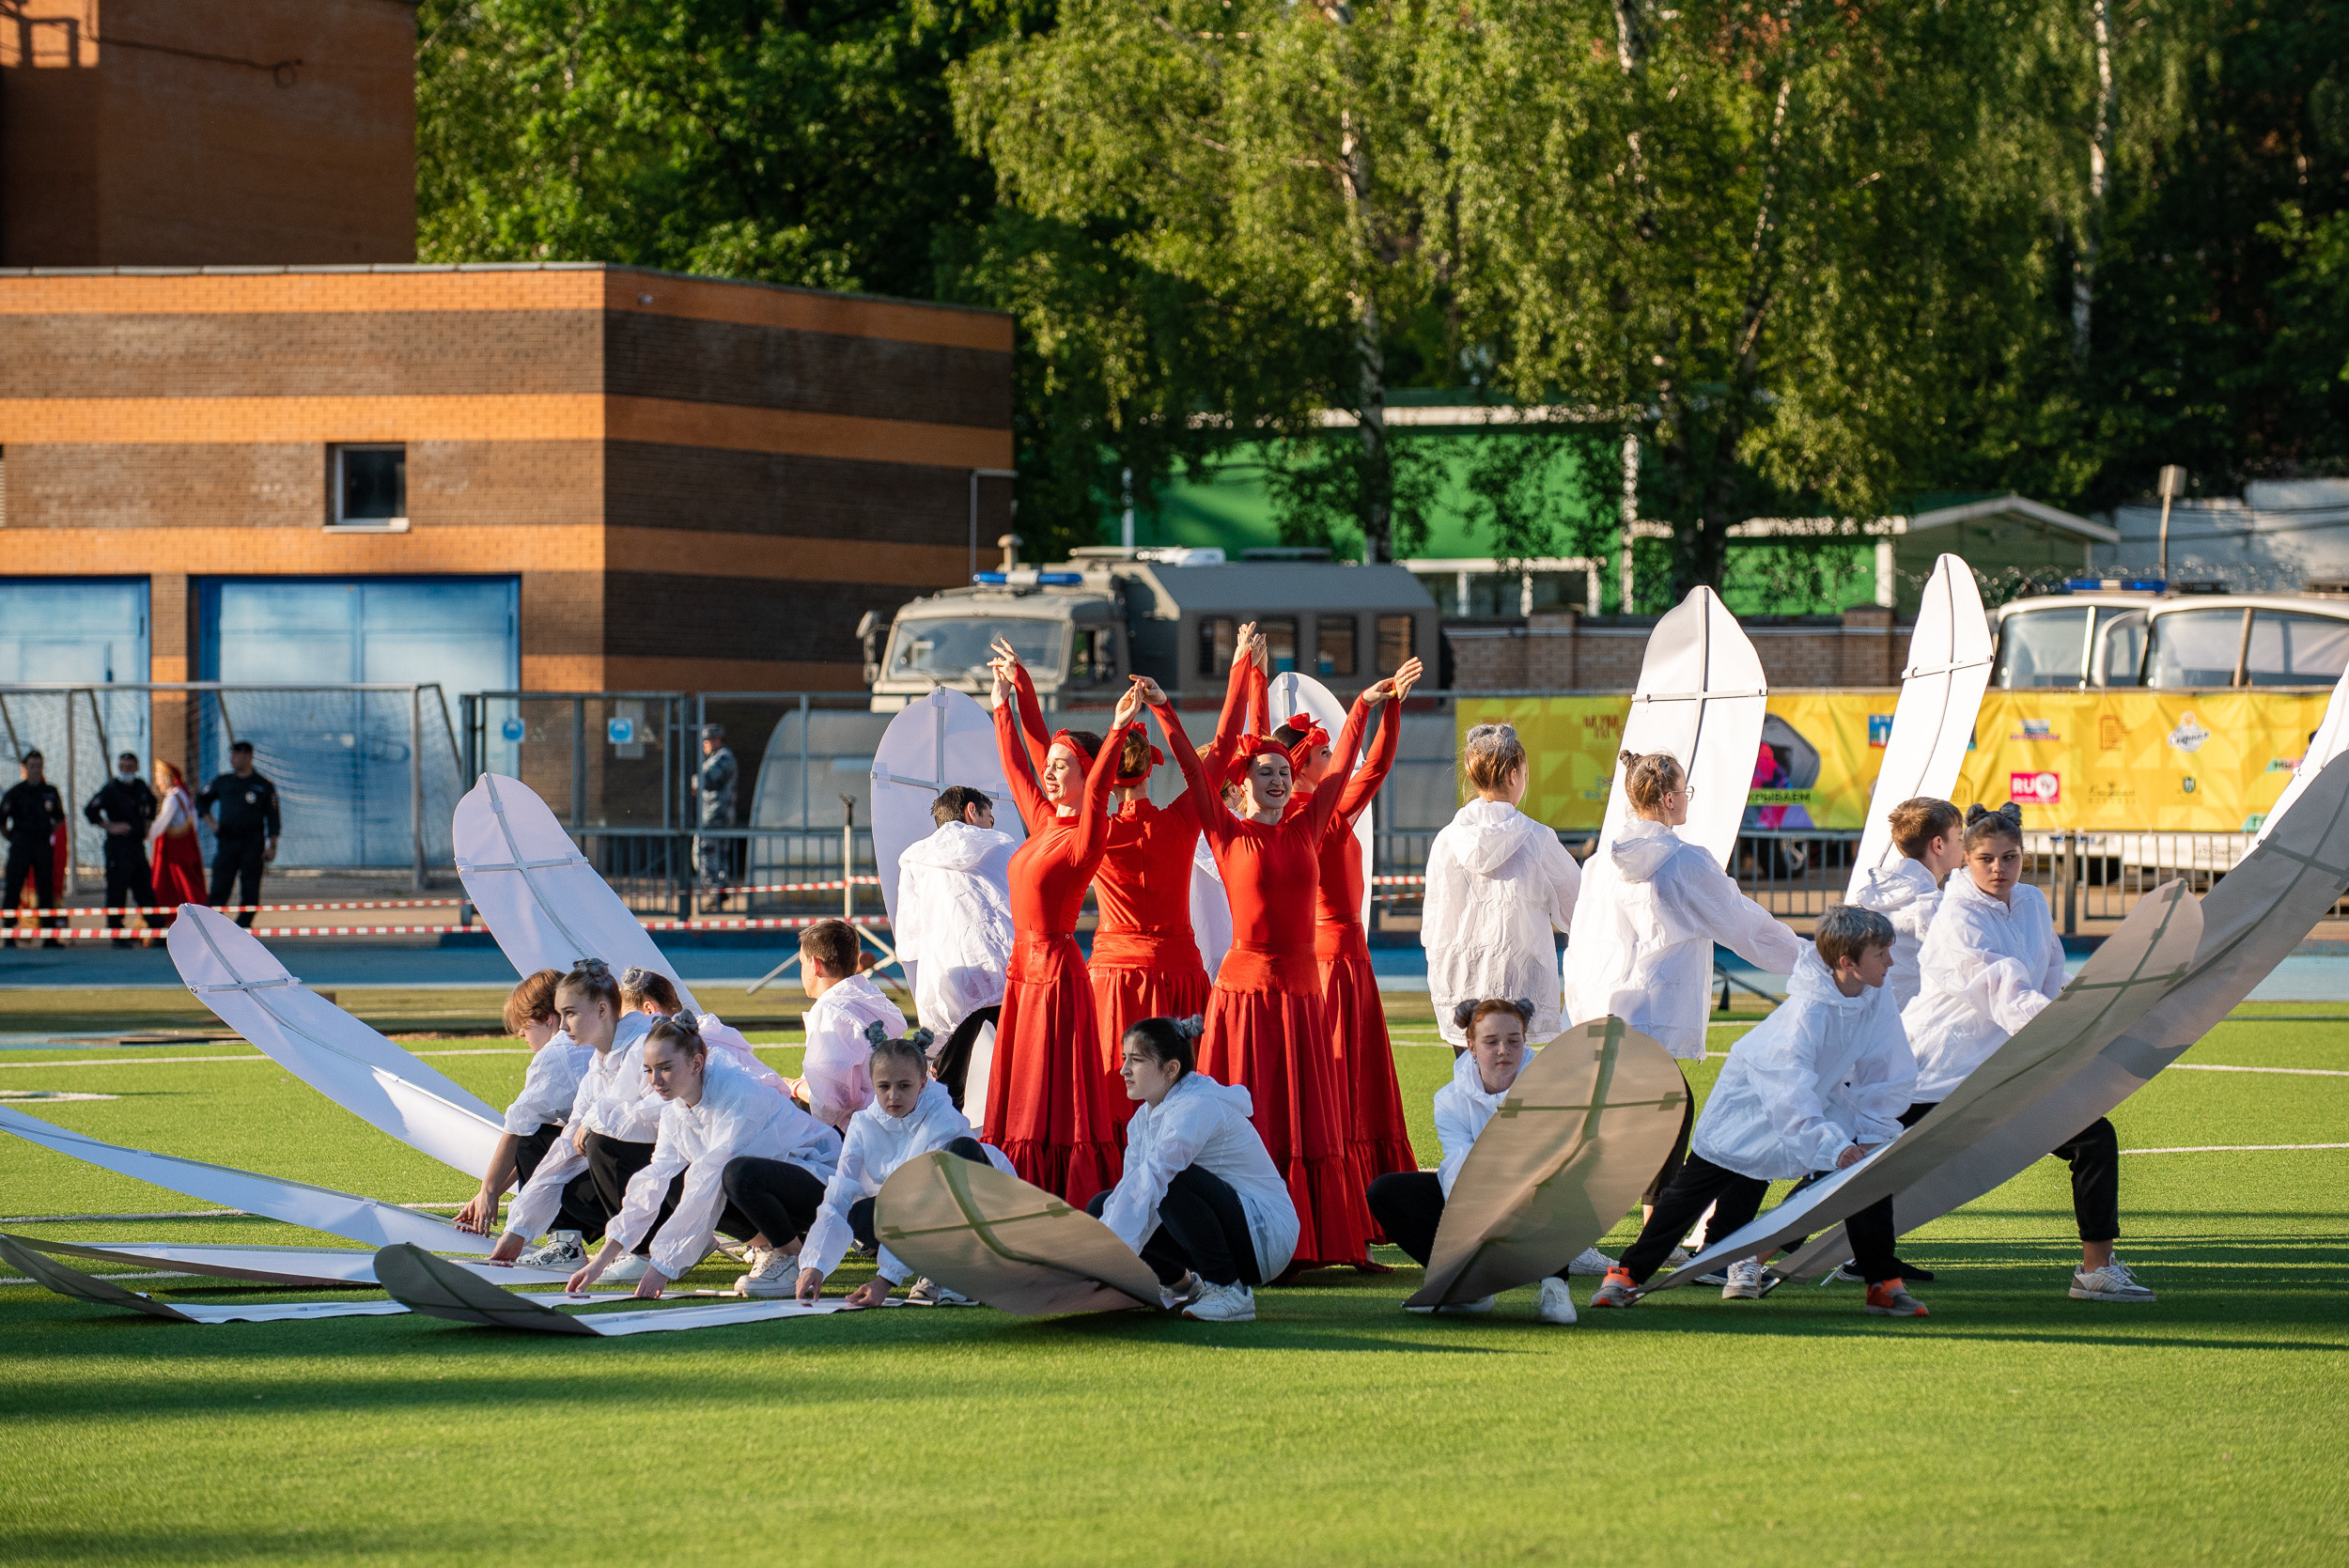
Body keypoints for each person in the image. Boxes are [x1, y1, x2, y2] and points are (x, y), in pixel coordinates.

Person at [1153, 632, 1376, 1267]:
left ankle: (1313, 1239)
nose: (1278, 779)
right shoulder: (1226, 832)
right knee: (1251, 1113)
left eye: (1284, 771)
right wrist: (1176, 706)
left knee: (1308, 1115)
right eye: (1265, 772)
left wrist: (1364, 705)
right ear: (1244, 784)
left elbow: (1342, 769)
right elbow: (1198, 769)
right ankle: (1236, 1228)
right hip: (1245, 993)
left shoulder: (1309, 825)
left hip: (1303, 992)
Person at [1593, 904, 1927, 1316]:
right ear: (1848, 963)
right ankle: (1625, 1274)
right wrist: (1831, 1146)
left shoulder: (1875, 994)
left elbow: (1887, 1065)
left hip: (1813, 1099)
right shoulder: (1807, 1015)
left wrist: (1875, 1132)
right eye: (1880, 954)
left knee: (1864, 1177)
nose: (1890, 961)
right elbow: (1788, 1090)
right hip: (1748, 1109)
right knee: (1689, 1194)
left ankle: (1883, 1284)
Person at [1901, 801, 2152, 1302]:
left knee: (2093, 1137)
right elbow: (2005, 993)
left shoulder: (2034, 902)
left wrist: (2087, 1009)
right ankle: (1750, 1256)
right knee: (1857, 1160)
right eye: (1987, 859)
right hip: (1937, 1071)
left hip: (2008, 1071)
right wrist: (2076, 1031)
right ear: (1966, 860)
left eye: (2011, 857)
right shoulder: (1956, 916)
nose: (2000, 869)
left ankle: (2095, 1272)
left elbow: (2050, 972)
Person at [1562, 749, 1806, 1234]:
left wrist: (1585, 1011)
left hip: (1611, 1009)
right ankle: (1642, 1231)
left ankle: (1648, 1230)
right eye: (1686, 790)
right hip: (1658, 1009)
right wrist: (1811, 962)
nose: (1689, 798)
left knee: (1650, 1119)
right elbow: (1746, 928)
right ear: (1670, 799)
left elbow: (1583, 942)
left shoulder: (1600, 864)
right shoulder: (1684, 862)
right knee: (1667, 1116)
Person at [980, 645, 1140, 1204]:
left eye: (1062, 766)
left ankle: (1062, 1189)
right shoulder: (1045, 819)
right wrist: (1007, 698)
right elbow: (1017, 764)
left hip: (1054, 969)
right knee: (1023, 1081)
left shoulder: (1086, 832)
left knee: (1053, 1085)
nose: (1049, 773)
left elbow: (1097, 790)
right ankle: (1018, 1178)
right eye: (1050, 766)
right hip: (1023, 968)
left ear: (1086, 773)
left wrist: (1116, 731)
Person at [566, 1014, 842, 1300]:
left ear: (696, 1064)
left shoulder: (738, 1093)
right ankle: (769, 1246)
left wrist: (663, 1266)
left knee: (735, 1174)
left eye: (665, 1068)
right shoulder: (675, 1109)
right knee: (675, 1180)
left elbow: (709, 1178)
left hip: (820, 1187)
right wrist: (601, 1261)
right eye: (648, 1070)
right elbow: (652, 1182)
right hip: (771, 1190)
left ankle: (792, 1255)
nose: (655, 1080)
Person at [1282, 657, 1424, 1195]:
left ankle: (1354, 1188)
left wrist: (1388, 709)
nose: (1332, 757)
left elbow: (1374, 765)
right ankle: (1350, 1186)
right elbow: (1366, 766)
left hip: (1344, 953)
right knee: (1346, 1078)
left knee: (1349, 1076)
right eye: (1321, 752)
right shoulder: (1313, 815)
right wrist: (1369, 706)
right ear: (1302, 764)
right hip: (1333, 958)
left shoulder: (1320, 811)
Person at [1365, 999, 1582, 1324]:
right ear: (1471, 1046)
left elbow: (1552, 1160)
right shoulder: (1449, 1100)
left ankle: (1555, 1284)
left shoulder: (1549, 1090)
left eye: (1514, 1040)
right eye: (1491, 1041)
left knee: (1558, 1181)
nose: (1503, 1050)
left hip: (1534, 1197)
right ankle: (1464, 1288)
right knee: (1386, 1191)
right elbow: (1459, 1169)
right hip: (1477, 1197)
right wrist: (1474, 1224)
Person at [1088, 1017, 1299, 1324]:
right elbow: (1132, 1193)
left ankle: (1229, 1290)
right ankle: (1182, 1285)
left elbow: (1158, 1177)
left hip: (1265, 1237)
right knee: (1102, 1204)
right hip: (1228, 1229)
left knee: (1167, 1181)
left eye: (1136, 1060)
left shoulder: (1197, 1106)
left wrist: (1099, 1258)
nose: (1124, 1070)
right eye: (1124, 1059)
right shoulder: (1142, 1120)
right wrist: (1103, 1249)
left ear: (1171, 1069)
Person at [794, 1027, 1003, 1306]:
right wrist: (814, 1262)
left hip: (980, 1210)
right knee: (860, 1212)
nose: (893, 1096)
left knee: (960, 1154)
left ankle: (967, 1268)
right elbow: (839, 1192)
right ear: (873, 1083)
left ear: (923, 1083)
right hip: (919, 1213)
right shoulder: (863, 1123)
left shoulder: (942, 1119)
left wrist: (885, 1280)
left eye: (904, 1086)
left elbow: (922, 1196)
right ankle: (937, 1266)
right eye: (884, 1086)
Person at [488, 958, 663, 1276]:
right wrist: (517, 1231)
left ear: (600, 1011)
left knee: (601, 1144)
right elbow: (564, 1150)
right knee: (575, 1145)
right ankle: (573, 1244)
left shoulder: (644, 1047)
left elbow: (670, 1116)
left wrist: (597, 1118)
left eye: (570, 1014)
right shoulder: (598, 1064)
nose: (564, 1026)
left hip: (697, 1161)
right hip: (672, 1165)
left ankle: (648, 1249)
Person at [1423, 722, 1582, 1049]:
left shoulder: (1447, 839)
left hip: (1459, 982)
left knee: (1470, 1085)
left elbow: (1434, 922)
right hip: (1520, 984)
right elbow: (1578, 909)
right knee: (1516, 1090)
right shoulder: (1537, 839)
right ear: (1513, 775)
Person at [892, 784, 1017, 1107]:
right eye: (989, 816)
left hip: (952, 982)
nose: (992, 824)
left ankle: (946, 1148)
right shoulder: (1002, 846)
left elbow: (909, 938)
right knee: (1021, 1076)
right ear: (972, 810)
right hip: (1007, 972)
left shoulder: (915, 860)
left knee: (948, 1088)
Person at [454, 970, 593, 1236]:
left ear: (548, 1018)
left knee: (532, 1140)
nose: (520, 1033)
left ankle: (565, 1241)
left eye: (525, 1023)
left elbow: (521, 1131)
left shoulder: (557, 1053)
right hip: (632, 1161)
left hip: (611, 1174)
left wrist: (489, 1191)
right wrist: (490, 1192)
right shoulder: (590, 1041)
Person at [1850, 797, 1966, 1010]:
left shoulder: (1871, 895)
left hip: (1874, 1020)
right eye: (1959, 838)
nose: (1964, 845)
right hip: (1912, 1028)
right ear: (1938, 845)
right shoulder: (1935, 906)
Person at [797, 917, 909, 1129]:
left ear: (816, 965)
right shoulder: (872, 996)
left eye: (803, 962)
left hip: (868, 1131)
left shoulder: (832, 1011)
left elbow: (832, 1104)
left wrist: (792, 1087)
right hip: (895, 1118)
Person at [616, 964, 786, 1093]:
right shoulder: (710, 1032)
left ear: (649, 1010)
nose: (624, 1025)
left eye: (628, 1017)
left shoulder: (680, 1049)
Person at [196, 740, 279, 927]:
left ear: (248, 756)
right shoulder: (223, 782)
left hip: (252, 844)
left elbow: (273, 817)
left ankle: (243, 927)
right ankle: (211, 927)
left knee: (250, 888)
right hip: (228, 841)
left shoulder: (263, 785)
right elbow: (201, 799)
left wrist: (272, 845)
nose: (233, 758)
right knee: (220, 886)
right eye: (231, 754)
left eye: (237, 754)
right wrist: (212, 822)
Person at [85, 751, 160, 948]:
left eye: (130, 767)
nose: (126, 770)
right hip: (117, 848)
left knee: (144, 889)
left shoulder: (141, 786)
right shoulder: (111, 789)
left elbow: (152, 804)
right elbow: (90, 810)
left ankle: (157, 930)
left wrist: (147, 823)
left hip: (136, 846)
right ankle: (117, 933)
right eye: (123, 767)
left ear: (136, 767)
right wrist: (110, 826)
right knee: (117, 890)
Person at [1, 751, 66, 948]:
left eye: (39, 766)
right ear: (25, 768)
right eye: (32, 766)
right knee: (13, 886)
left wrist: (46, 832)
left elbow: (59, 818)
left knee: (45, 888)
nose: (36, 770)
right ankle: (9, 933)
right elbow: (2, 820)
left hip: (42, 844)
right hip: (21, 843)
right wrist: (13, 837)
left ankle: (49, 935)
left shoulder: (50, 791)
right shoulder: (15, 792)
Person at [146, 761, 207, 921]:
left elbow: (161, 823)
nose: (157, 782)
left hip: (175, 853)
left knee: (180, 886)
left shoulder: (172, 798)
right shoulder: (184, 794)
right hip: (186, 849)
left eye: (159, 778)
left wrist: (146, 835)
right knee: (188, 884)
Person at [695, 723, 739, 909]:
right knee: (717, 855)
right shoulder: (718, 757)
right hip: (716, 814)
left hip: (716, 815)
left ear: (717, 740)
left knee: (704, 852)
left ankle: (717, 890)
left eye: (708, 740)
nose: (704, 744)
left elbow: (705, 779)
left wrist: (695, 781)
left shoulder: (723, 757)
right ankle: (719, 891)